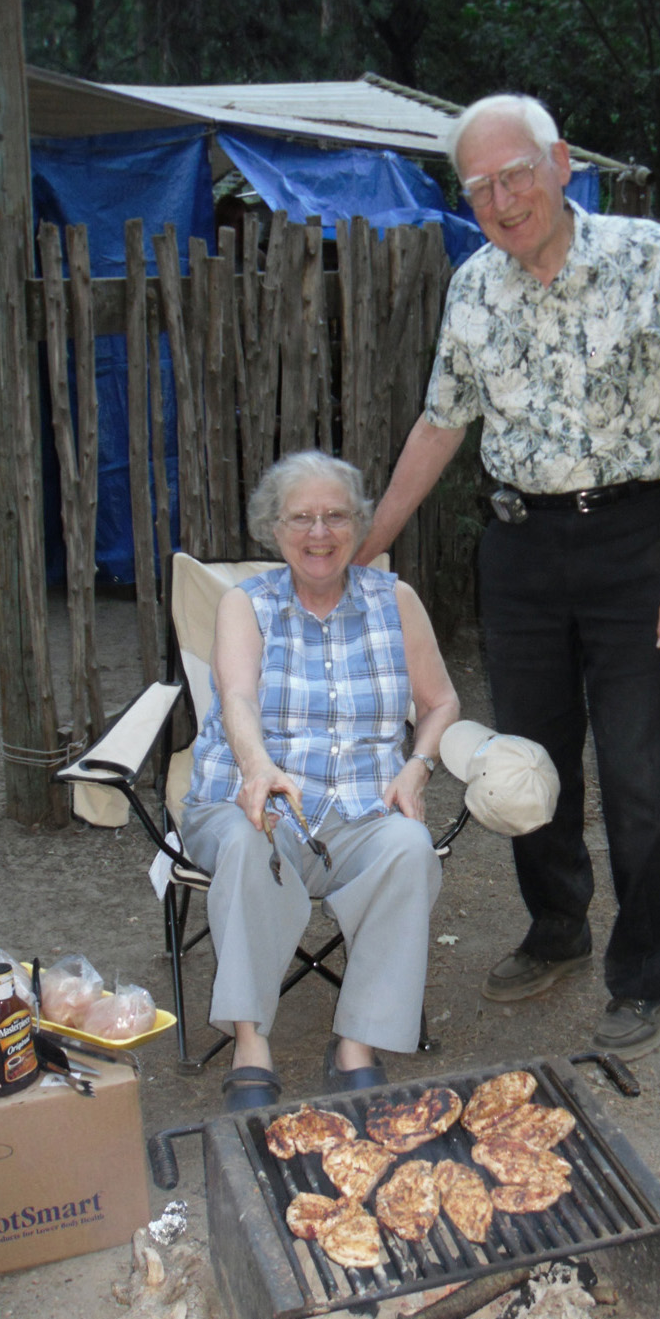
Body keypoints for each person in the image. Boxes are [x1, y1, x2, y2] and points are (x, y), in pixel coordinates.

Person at [355, 94, 660, 1062]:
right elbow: (439, 427)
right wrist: (369, 544)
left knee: (642, 768)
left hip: (639, 543)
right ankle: (557, 925)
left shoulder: (649, 258)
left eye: (515, 173)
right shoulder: (474, 288)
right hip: (521, 549)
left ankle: (649, 971)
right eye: (479, 186)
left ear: (561, 162)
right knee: (528, 761)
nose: (500, 198)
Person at [179, 451, 460, 1110]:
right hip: (251, 802)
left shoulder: (396, 602)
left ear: (358, 525)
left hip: (363, 810)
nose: (318, 533)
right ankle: (251, 1045)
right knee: (248, 845)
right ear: (273, 530)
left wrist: (417, 766)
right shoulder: (245, 606)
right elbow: (238, 698)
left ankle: (356, 1044)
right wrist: (258, 767)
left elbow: (442, 702)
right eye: (300, 518)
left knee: (410, 849)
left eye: (335, 516)